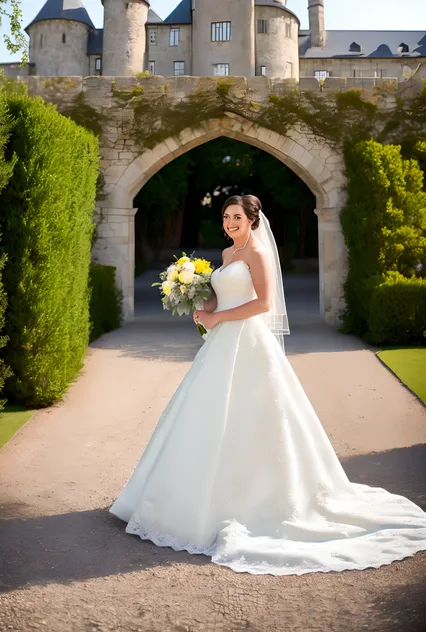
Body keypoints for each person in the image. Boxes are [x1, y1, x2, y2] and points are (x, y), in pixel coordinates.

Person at [109, 194, 426, 575]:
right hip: (222, 342)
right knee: (206, 415)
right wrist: (200, 304)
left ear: (252, 220)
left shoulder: (257, 253)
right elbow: (221, 297)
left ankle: (258, 503)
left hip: (249, 340)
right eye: (225, 217)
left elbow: (263, 304)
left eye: (236, 217)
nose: (229, 223)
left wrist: (218, 318)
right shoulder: (226, 256)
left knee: (255, 415)